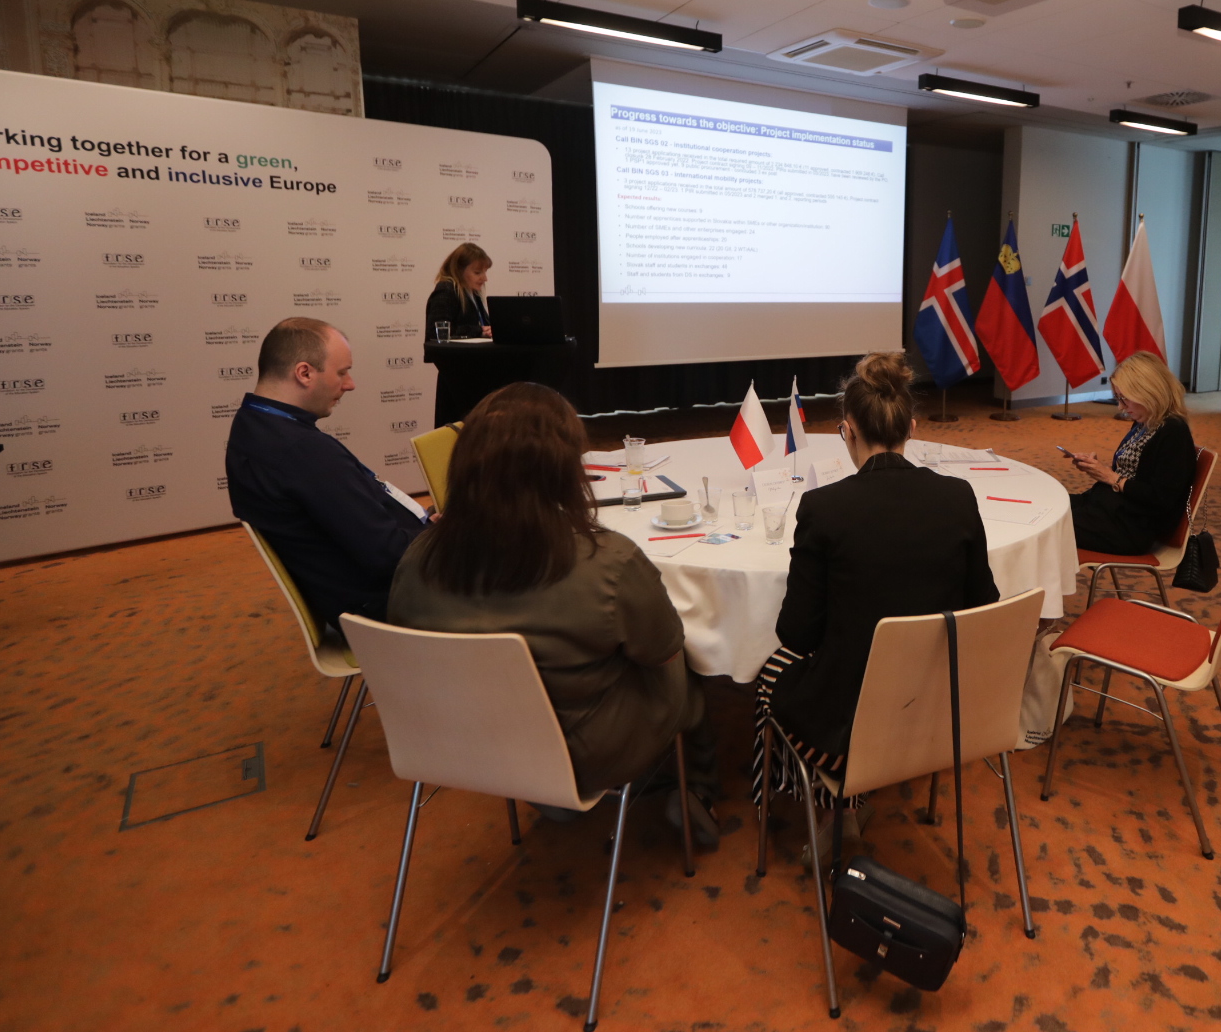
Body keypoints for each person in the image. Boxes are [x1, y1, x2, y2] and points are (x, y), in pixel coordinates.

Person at [387, 383, 711, 835]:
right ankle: (691, 784)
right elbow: (663, 652)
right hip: (587, 752)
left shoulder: (418, 557)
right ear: (564, 470)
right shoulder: (609, 561)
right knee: (696, 660)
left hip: (459, 741)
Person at [754, 351, 998, 809]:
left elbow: (796, 633)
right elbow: (983, 605)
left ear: (848, 430)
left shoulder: (824, 508)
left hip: (848, 724)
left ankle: (816, 812)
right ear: (911, 429)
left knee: (770, 673)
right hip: (940, 712)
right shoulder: (957, 497)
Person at [227, 318, 429, 630]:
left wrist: (425, 526)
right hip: (391, 604)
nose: (350, 384)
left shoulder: (252, 424)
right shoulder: (301, 452)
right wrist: (445, 537)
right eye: (342, 372)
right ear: (304, 372)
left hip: (358, 592)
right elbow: (389, 557)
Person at [1066, 352, 1198, 555]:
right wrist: (1098, 469)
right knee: (1049, 507)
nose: (1121, 407)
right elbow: (1132, 473)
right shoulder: (1145, 422)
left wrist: (1112, 477)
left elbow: (1162, 499)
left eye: (1125, 399)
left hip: (1131, 528)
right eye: (1118, 399)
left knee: (1047, 524)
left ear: (1148, 393)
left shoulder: (1173, 431)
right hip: (1111, 509)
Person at [427, 242, 492, 339]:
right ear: (459, 271)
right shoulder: (446, 290)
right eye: (477, 273)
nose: (485, 278)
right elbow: (438, 331)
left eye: (485, 272)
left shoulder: (473, 293)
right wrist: (479, 330)